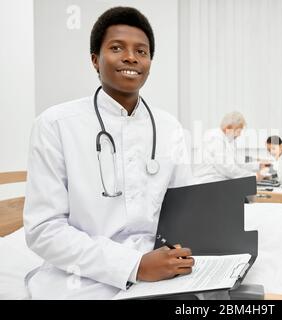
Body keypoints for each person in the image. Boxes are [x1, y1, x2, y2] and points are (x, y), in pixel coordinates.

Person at [23, 7, 194, 299]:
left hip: (163, 272)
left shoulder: (169, 128)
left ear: (149, 62)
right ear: (95, 60)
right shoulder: (55, 125)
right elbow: (44, 230)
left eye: (141, 51)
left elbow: (186, 209)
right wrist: (134, 265)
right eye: (117, 48)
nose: (131, 57)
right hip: (81, 278)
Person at [193, 111, 266, 183]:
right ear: (229, 127)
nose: (239, 135)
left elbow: (238, 162)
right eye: (238, 131)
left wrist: (259, 165)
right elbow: (227, 169)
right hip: (207, 183)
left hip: (217, 182)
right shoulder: (215, 138)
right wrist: (254, 176)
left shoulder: (227, 141)